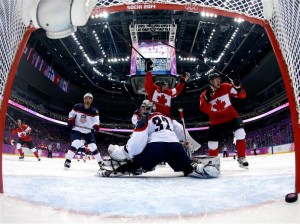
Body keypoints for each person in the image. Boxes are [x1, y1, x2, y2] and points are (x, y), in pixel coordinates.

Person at [99, 102, 220, 178]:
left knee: (136, 164)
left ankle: (119, 170)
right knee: (187, 166)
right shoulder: (167, 117)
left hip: (155, 148)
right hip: (175, 146)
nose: (143, 110)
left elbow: (137, 142)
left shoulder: (145, 119)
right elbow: (181, 131)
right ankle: (197, 168)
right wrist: (191, 145)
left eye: (145, 108)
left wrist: (125, 152)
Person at [144, 59, 200, 153]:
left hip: (168, 118)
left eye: (167, 86)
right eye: (164, 85)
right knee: (152, 136)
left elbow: (177, 90)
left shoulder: (169, 93)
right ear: (159, 86)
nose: (166, 87)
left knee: (181, 129)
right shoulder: (154, 91)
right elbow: (148, 84)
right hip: (156, 118)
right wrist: (149, 71)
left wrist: (183, 80)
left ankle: (192, 147)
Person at [199, 73, 249, 168]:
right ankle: (213, 163)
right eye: (215, 79)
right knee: (212, 144)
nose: (218, 81)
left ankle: (241, 158)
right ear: (210, 82)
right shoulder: (204, 94)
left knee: (241, 133)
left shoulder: (226, 86)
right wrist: (208, 100)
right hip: (216, 121)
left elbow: (242, 96)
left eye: (219, 79)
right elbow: (205, 110)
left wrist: (239, 88)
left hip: (231, 117)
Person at [64, 93, 103, 169]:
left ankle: (100, 163)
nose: (88, 100)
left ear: (91, 100)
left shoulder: (95, 111)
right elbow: (71, 114)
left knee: (93, 146)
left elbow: (96, 120)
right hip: (77, 129)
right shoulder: (77, 106)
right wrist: (70, 119)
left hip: (88, 131)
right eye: (86, 98)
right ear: (84, 99)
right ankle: (68, 161)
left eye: (89, 98)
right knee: (76, 142)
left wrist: (96, 125)